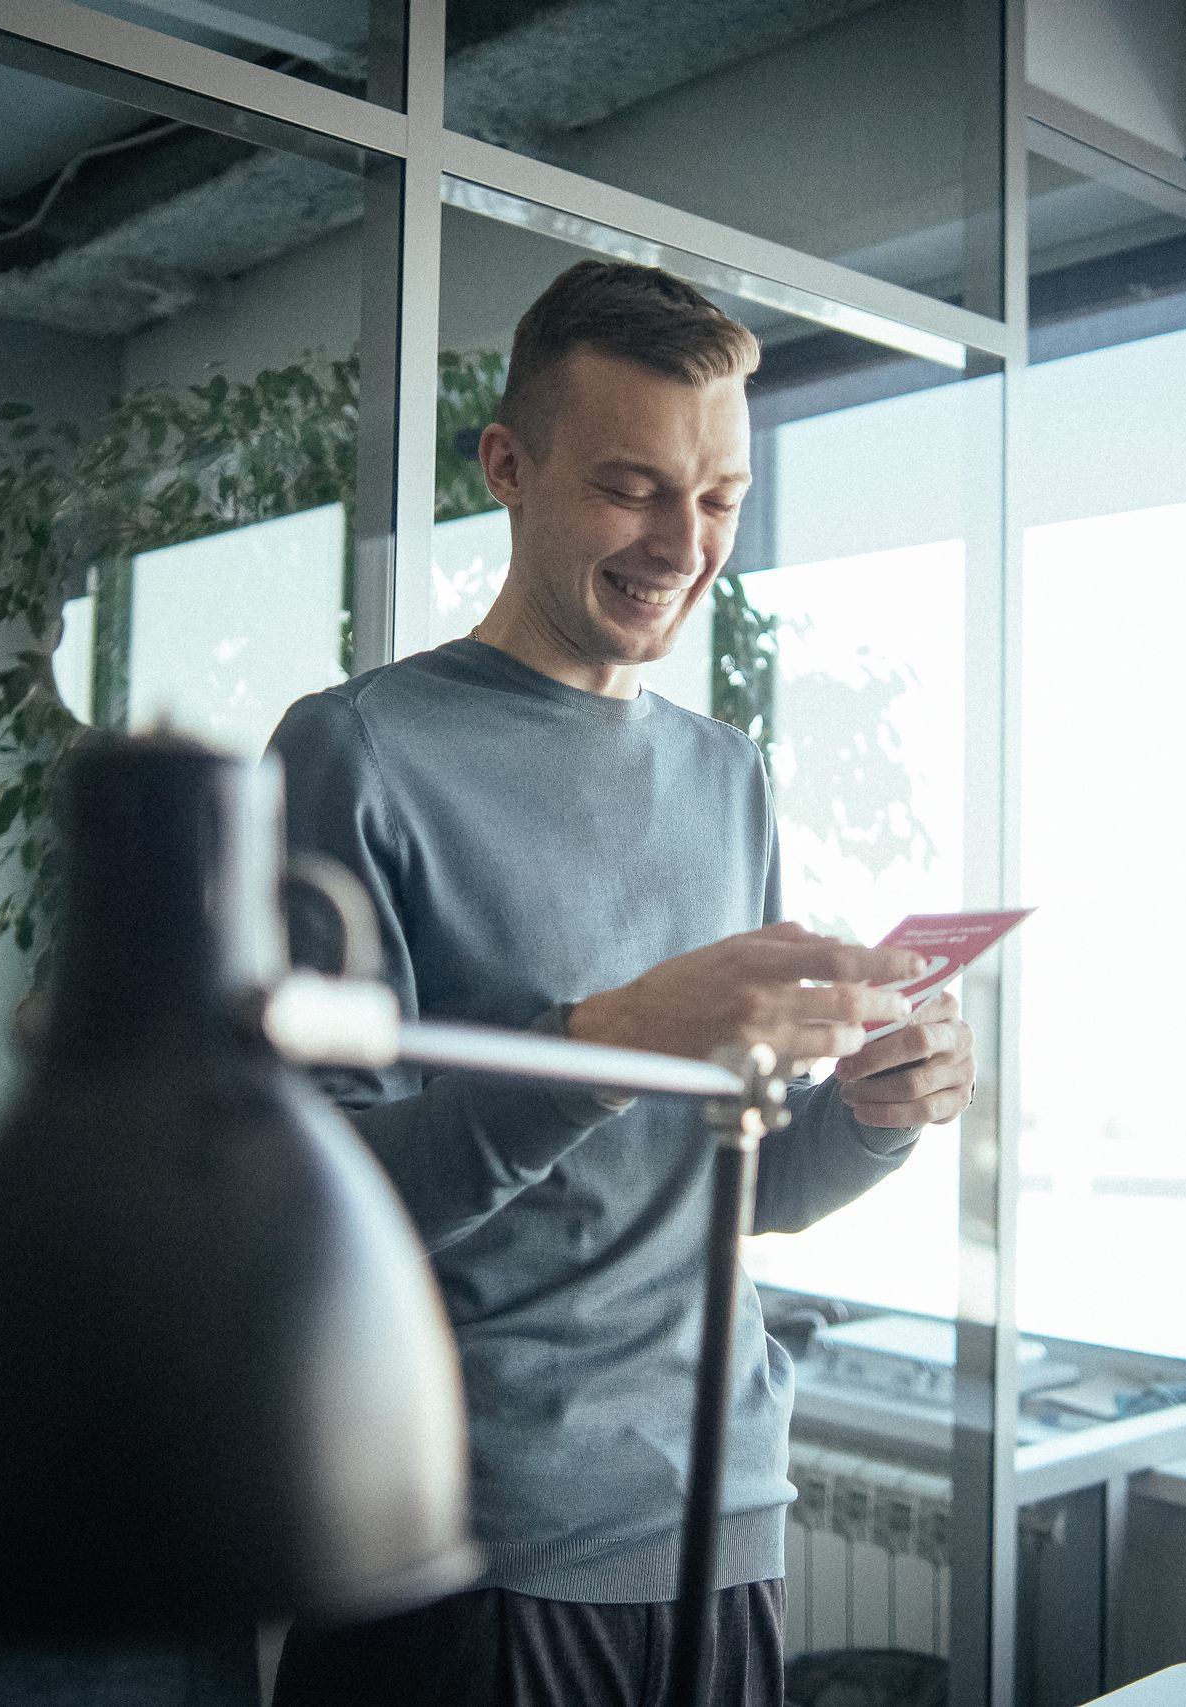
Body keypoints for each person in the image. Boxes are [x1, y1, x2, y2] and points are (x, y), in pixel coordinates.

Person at [266, 261, 977, 1707]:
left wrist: (879, 1114)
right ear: (510, 470)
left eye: (717, 498)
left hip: (725, 1521)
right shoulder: (357, 751)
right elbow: (317, 1215)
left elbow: (737, 1186)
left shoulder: (730, 776)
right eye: (634, 488)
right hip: (469, 1550)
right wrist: (600, 1042)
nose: (683, 542)